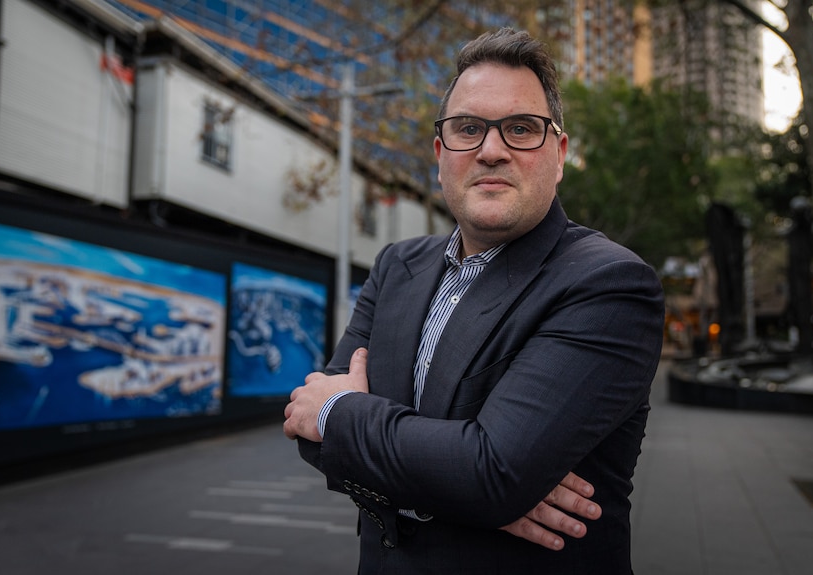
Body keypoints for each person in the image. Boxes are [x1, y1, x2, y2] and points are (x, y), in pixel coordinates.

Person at [284, 27, 664, 574]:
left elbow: (492, 474)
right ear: (441, 154)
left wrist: (341, 412)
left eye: (520, 129)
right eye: (468, 129)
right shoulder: (397, 266)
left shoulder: (610, 285)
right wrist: (461, 491)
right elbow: (308, 431)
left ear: (558, 154)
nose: (491, 150)